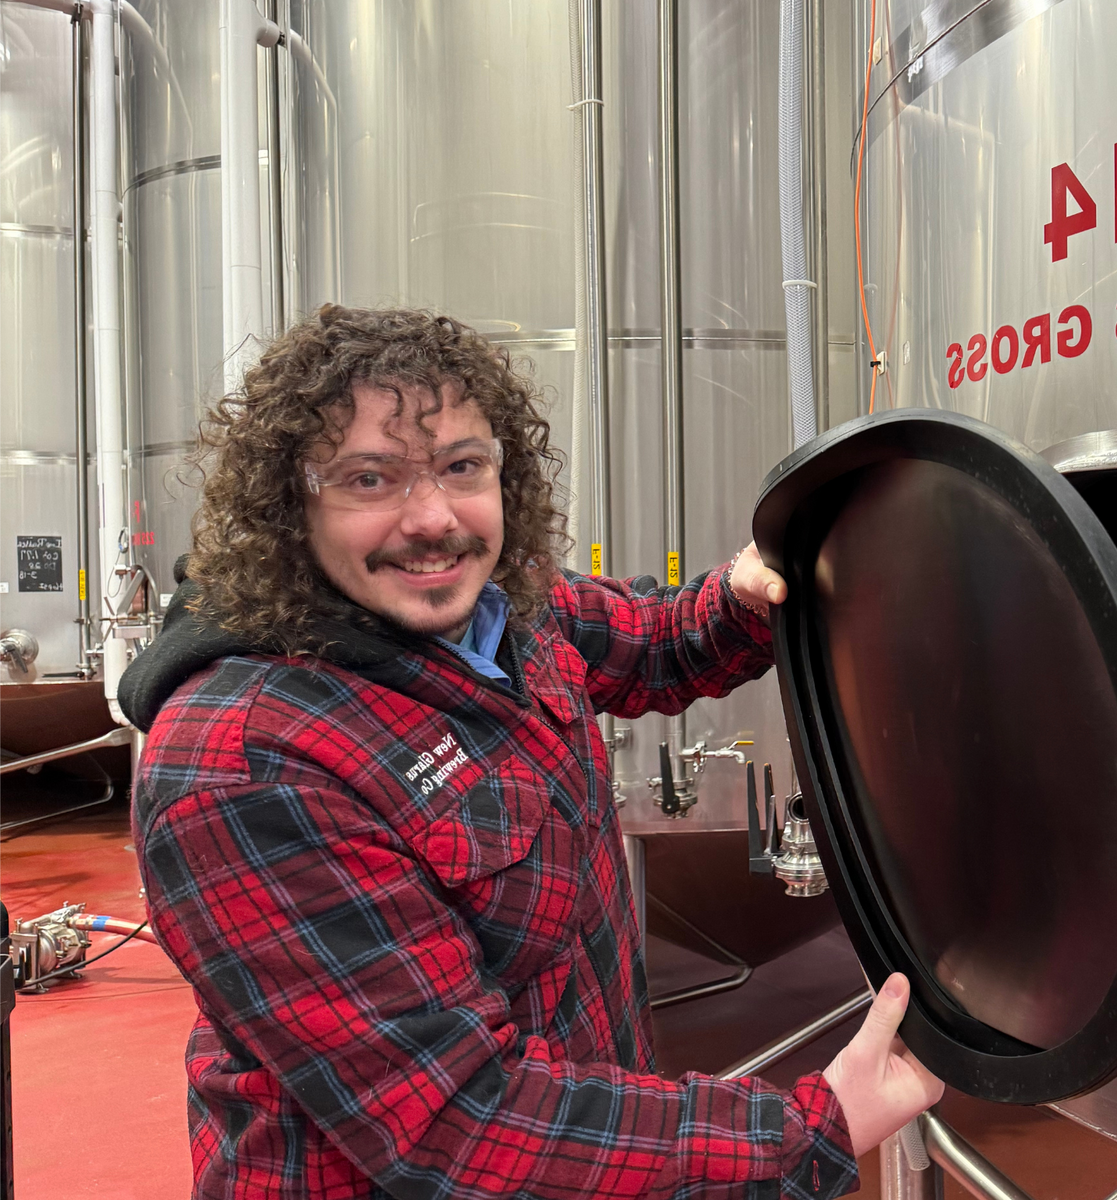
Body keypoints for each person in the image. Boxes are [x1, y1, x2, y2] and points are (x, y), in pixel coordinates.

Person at [120, 305, 942, 1199]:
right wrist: (806, 1131)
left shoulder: (504, 612)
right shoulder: (246, 762)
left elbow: (653, 641)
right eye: (370, 477)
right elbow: (460, 1127)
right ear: (292, 504)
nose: (433, 518)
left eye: (461, 466)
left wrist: (744, 597)